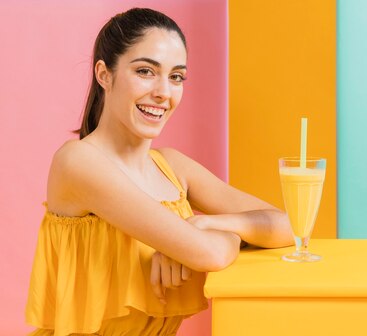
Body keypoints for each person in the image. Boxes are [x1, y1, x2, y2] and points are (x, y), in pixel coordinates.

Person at [25, 8, 293, 335]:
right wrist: (222, 238)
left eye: (176, 76)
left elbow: (288, 225)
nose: (164, 92)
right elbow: (207, 252)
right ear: (104, 74)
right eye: (145, 71)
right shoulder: (78, 163)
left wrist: (207, 223)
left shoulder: (172, 167)